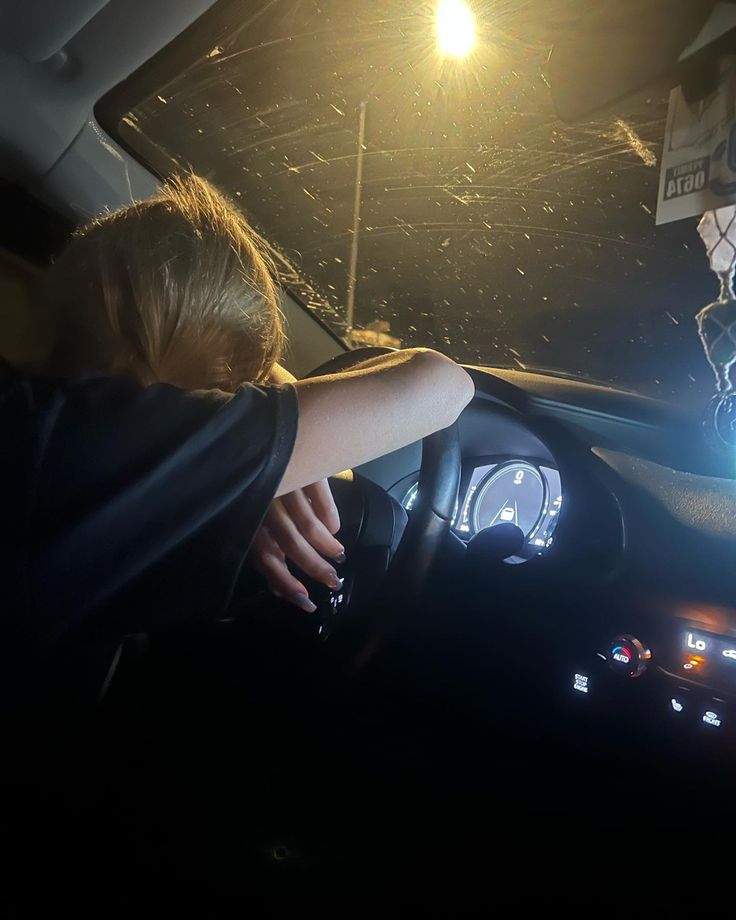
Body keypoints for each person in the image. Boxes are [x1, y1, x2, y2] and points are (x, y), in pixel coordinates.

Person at [0, 174, 474, 705]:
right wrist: (266, 439)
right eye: (231, 388)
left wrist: (269, 461)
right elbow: (443, 385)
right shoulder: (103, 441)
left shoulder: (34, 414)